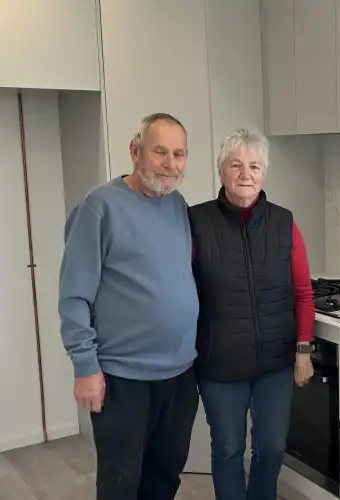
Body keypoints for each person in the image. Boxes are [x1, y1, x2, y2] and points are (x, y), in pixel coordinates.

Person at [58, 112, 200, 500]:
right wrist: (85, 366)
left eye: (179, 154)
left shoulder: (177, 205)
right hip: (124, 378)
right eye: (160, 152)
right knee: (122, 482)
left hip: (180, 374)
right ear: (134, 152)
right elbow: (74, 296)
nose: (171, 164)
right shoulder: (98, 208)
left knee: (165, 476)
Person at [189, 128, 315, 500]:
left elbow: (303, 293)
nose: (246, 174)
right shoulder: (197, 222)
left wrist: (303, 350)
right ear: (221, 170)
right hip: (219, 364)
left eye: (255, 166)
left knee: (272, 447)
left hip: (274, 363)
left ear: (264, 173)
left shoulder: (284, 222)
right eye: (236, 165)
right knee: (228, 448)